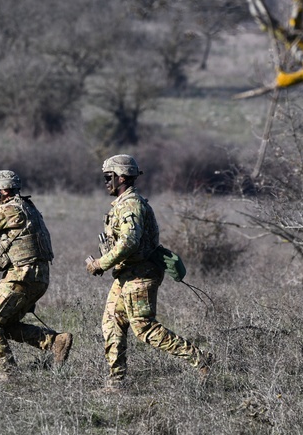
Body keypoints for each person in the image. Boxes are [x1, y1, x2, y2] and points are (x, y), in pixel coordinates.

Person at [85, 154, 211, 391]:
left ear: (121, 177)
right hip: (127, 274)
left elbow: (129, 242)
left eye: (107, 177)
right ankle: (116, 381)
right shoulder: (124, 203)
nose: (105, 182)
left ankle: (200, 358)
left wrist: (101, 263)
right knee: (111, 322)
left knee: (143, 328)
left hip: (140, 274)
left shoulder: (131, 204)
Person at [0, 170, 73, 383]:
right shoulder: (28, 207)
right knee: (4, 325)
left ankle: (8, 374)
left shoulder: (8, 209)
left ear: (3, 190)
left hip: (22, 275)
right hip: (38, 277)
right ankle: (54, 342)